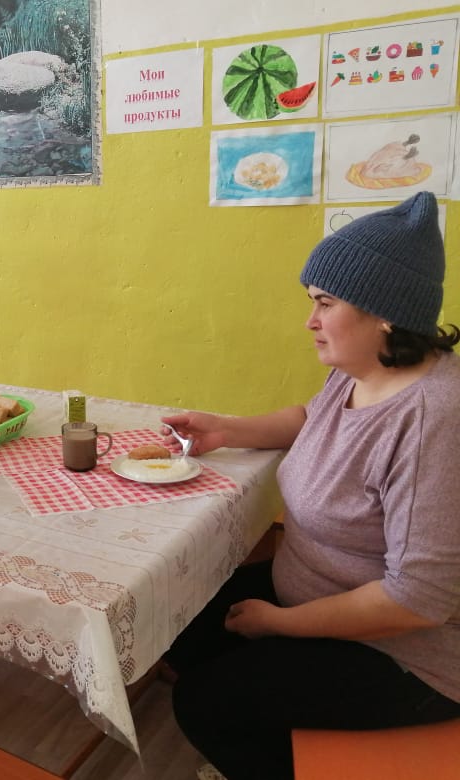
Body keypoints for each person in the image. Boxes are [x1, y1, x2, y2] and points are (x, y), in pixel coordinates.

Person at [160, 191, 460, 780]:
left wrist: (278, 624)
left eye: (325, 303)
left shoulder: (434, 422)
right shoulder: (362, 370)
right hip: (310, 593)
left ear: (384, 312)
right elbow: (310, 418)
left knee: (202, 704)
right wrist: (225, 429)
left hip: (404, 655)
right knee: (177, 627)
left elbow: (417, 601)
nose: (310, 321)